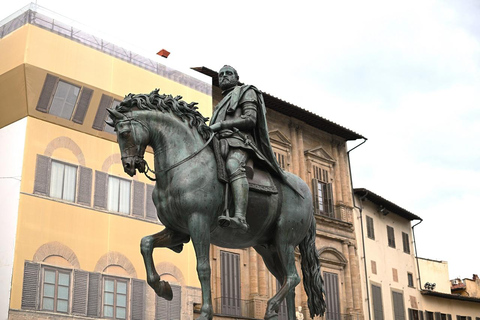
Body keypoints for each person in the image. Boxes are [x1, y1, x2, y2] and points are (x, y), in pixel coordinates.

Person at [210, 65, 283, 232]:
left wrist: (222, 124)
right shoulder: (220, 104)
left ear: (236, 77)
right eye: (221, 75)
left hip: (239, 142)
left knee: (233, 166)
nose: (224, 77)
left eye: (228, 74)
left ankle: (240, 217)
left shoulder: (246, 91)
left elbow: (250, 119)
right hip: (220, 142)